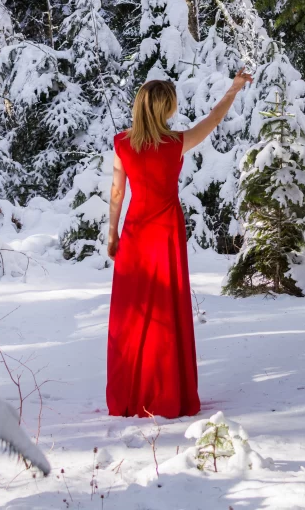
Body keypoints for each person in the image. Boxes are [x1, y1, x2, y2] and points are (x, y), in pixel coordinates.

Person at [106, 68, 253, 419]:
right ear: (165, 109)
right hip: (167, 234)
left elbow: (117, 192)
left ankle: (130, 396)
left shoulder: (123, 144)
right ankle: (167, 393)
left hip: (136, 233)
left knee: (133, 315)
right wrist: (233, 90)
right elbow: (213, 119)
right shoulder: (175, 143)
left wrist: (112, 234)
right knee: (167, 312)